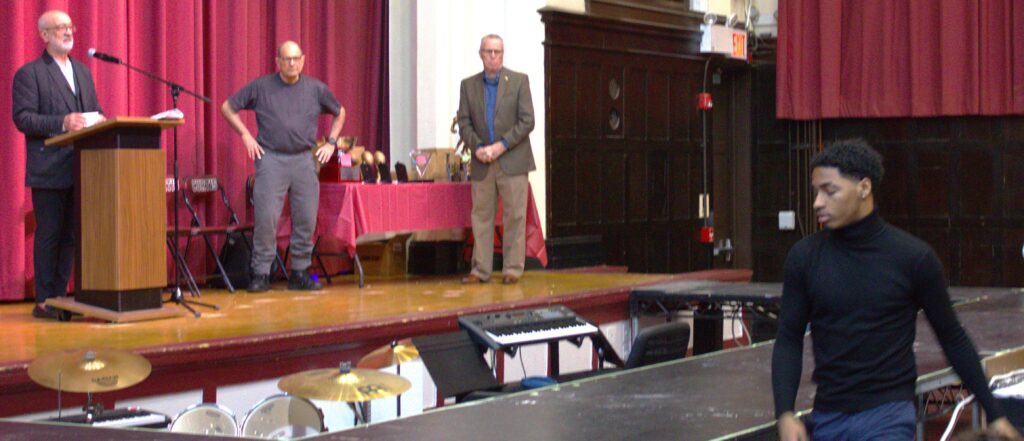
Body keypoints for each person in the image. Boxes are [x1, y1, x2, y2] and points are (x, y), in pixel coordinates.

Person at [771, 139, 1021, 440]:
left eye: (830, 191)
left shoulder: (912, 257)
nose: (817, 203)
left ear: (864, 188)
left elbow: (952, 337)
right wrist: (784, 412)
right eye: (816, 192)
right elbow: (788, 338)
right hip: (828, 416)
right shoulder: (804, 256)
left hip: (888, 415)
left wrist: (994, 413)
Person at [221, 41, 344, 292]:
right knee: (266, 219)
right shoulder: (261, 86)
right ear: (277, 62)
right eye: (286, 59)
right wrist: (246, 135)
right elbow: (227, 107)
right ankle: (261, 273)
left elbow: (340, 112)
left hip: (304, 160)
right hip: (271, 159)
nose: (291, 63)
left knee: (306, 220)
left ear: (303, 60)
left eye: (295, 58)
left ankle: (299, 272)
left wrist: (331, 142)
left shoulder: (315, 89)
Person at [12, 10, 104, 319]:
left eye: (69, 26)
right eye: (59, 27)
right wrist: (63, 122)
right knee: (49, 234)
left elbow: (93, 111)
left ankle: (61, 296)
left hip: (83, 167)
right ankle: (44, 300)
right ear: (44, 36)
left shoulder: (83, 72)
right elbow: (23, 118)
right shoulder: (31, 73)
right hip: (49, 168)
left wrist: (100, 120)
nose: (67, 32)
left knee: (72, 235)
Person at [457, 34, 535, 285]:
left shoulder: (519, 81)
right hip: (482, 161)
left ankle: (512, 268)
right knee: (481, 217)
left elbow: (527, 121)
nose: (493, 56)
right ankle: (480, 270)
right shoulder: (468, 85)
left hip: (512, 159)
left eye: (498, 52)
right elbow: (464, 122)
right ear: (480, 54)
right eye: (488, 51)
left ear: (503, 54)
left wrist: (501, 146)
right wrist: (478, 147)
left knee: (514, 216)